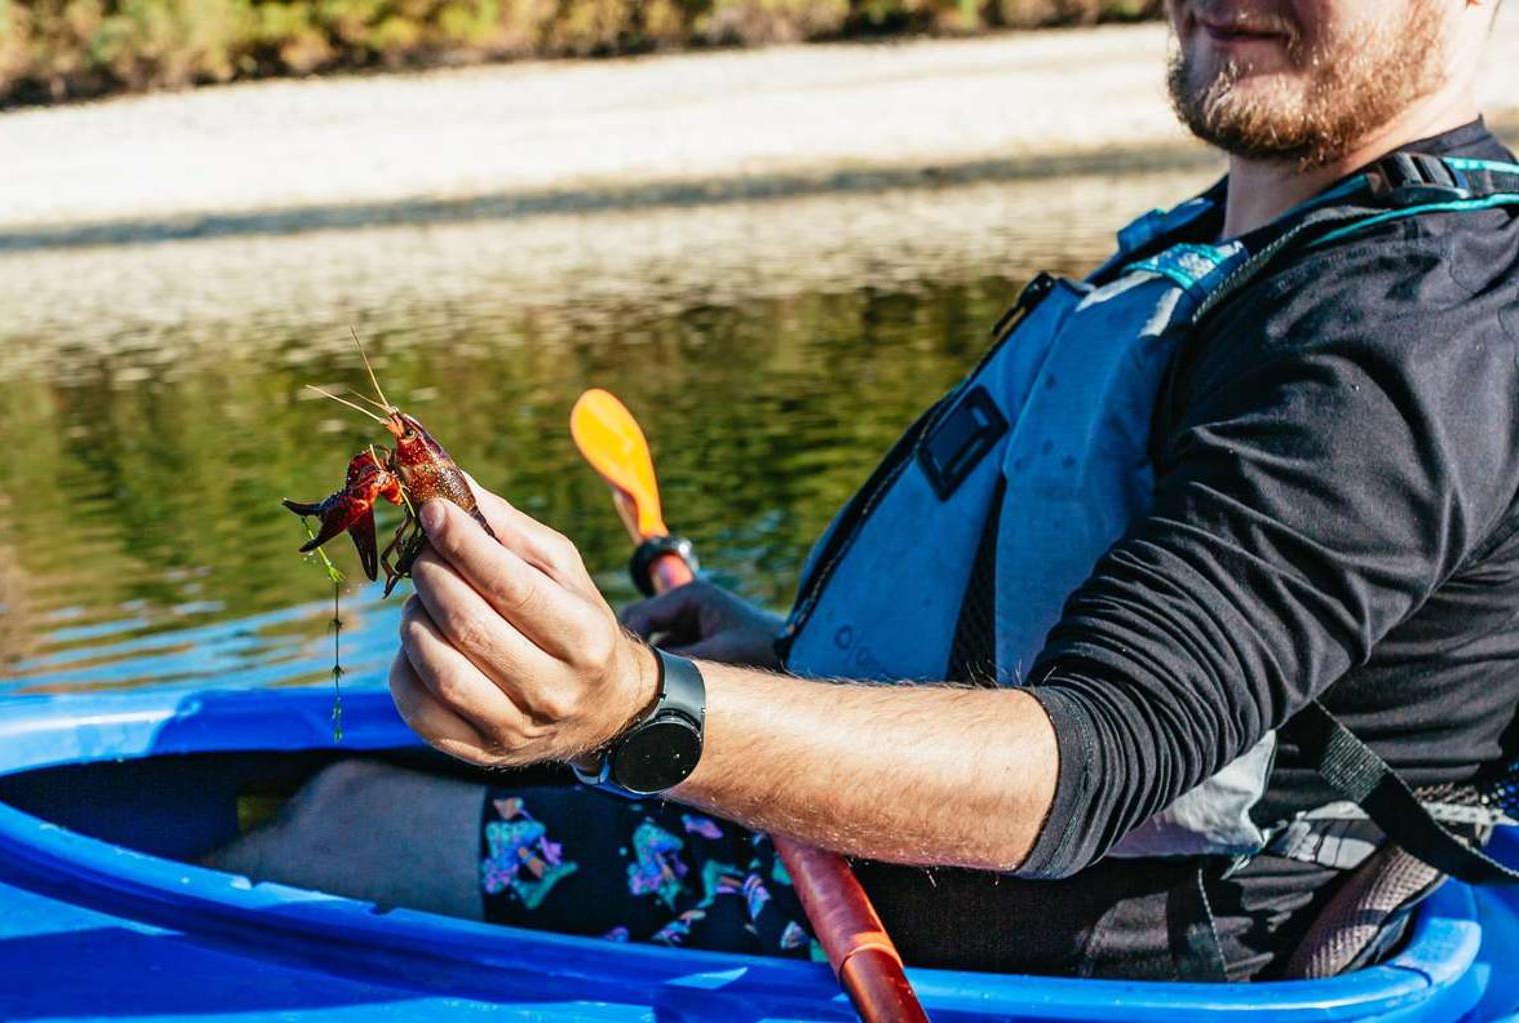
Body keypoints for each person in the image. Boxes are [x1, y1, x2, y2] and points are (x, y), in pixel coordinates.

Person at [210, 0, 1519, 980]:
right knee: (329, 800)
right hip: (919, 882)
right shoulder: (1257, 240)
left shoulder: (1408, 337)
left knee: (336, 832)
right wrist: (774, 660)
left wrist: (640, 712)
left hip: (1030, 965)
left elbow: (1091, 767)